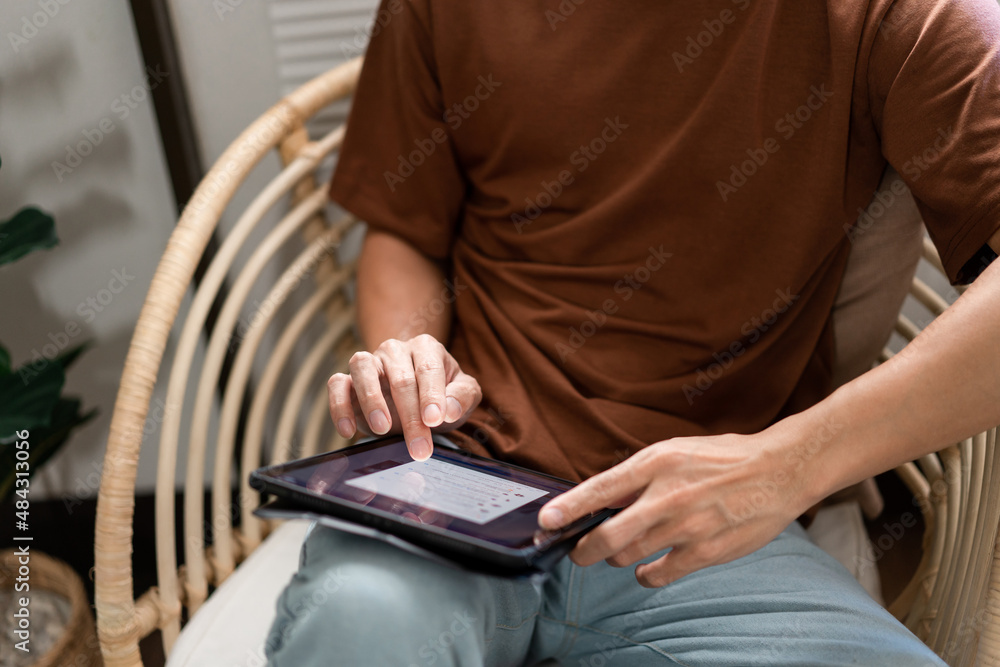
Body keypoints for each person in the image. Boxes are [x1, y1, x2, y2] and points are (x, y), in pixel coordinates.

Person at [266, 0, 1000, 664]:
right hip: (465, 476)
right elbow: (403, 231)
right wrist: (412, 358)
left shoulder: (909, 15)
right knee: (357, 629)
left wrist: (789, 463)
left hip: (709, 520)